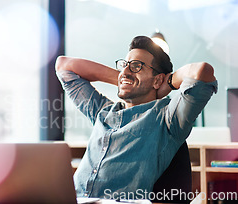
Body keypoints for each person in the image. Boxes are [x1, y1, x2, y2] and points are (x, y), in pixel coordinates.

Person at [55, 36, 217, 199]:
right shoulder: (102, 111)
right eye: (124, 65)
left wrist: (166, 83)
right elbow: (64, 65)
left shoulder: (167, 119)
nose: (125, 71)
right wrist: (125, 79)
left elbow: (202, 71)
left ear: (158, 79)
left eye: (136, 66)